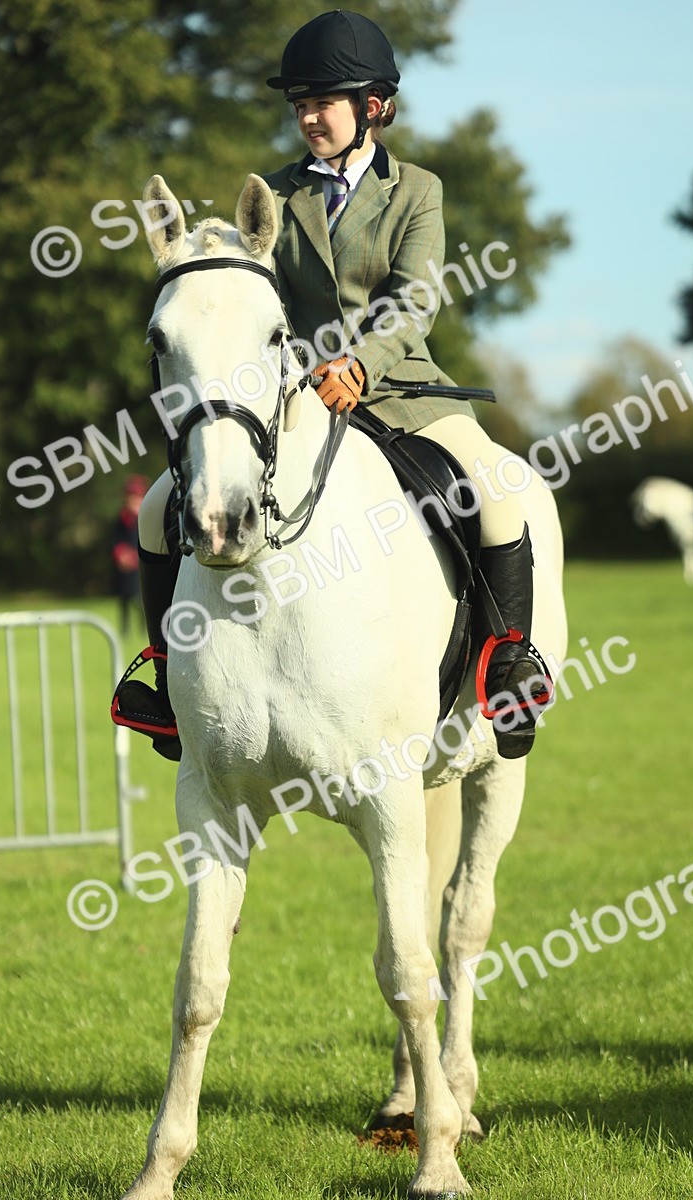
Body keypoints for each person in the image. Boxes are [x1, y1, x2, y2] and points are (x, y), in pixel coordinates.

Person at [113, 9, 550, 761]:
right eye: (300, 103)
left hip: (403, 391)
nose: (308, 116)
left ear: (372, 106)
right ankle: (166, 680)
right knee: (159, 507)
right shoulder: (274, 197)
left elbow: (416, 299)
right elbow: (250, 302)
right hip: (299, 401)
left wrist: (361, 364)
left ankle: (507, 661)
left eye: (323, 101)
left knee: (497, 491)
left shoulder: (417, 191)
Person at [111, 475, 147, 636]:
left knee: (142, 600)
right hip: (126, 567)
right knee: (125, 600)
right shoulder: (121, 518)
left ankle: (143, 630)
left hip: (141, 564)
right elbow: (115, 541)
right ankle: (125, 631)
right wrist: (121, 555)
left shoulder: (146, 517)